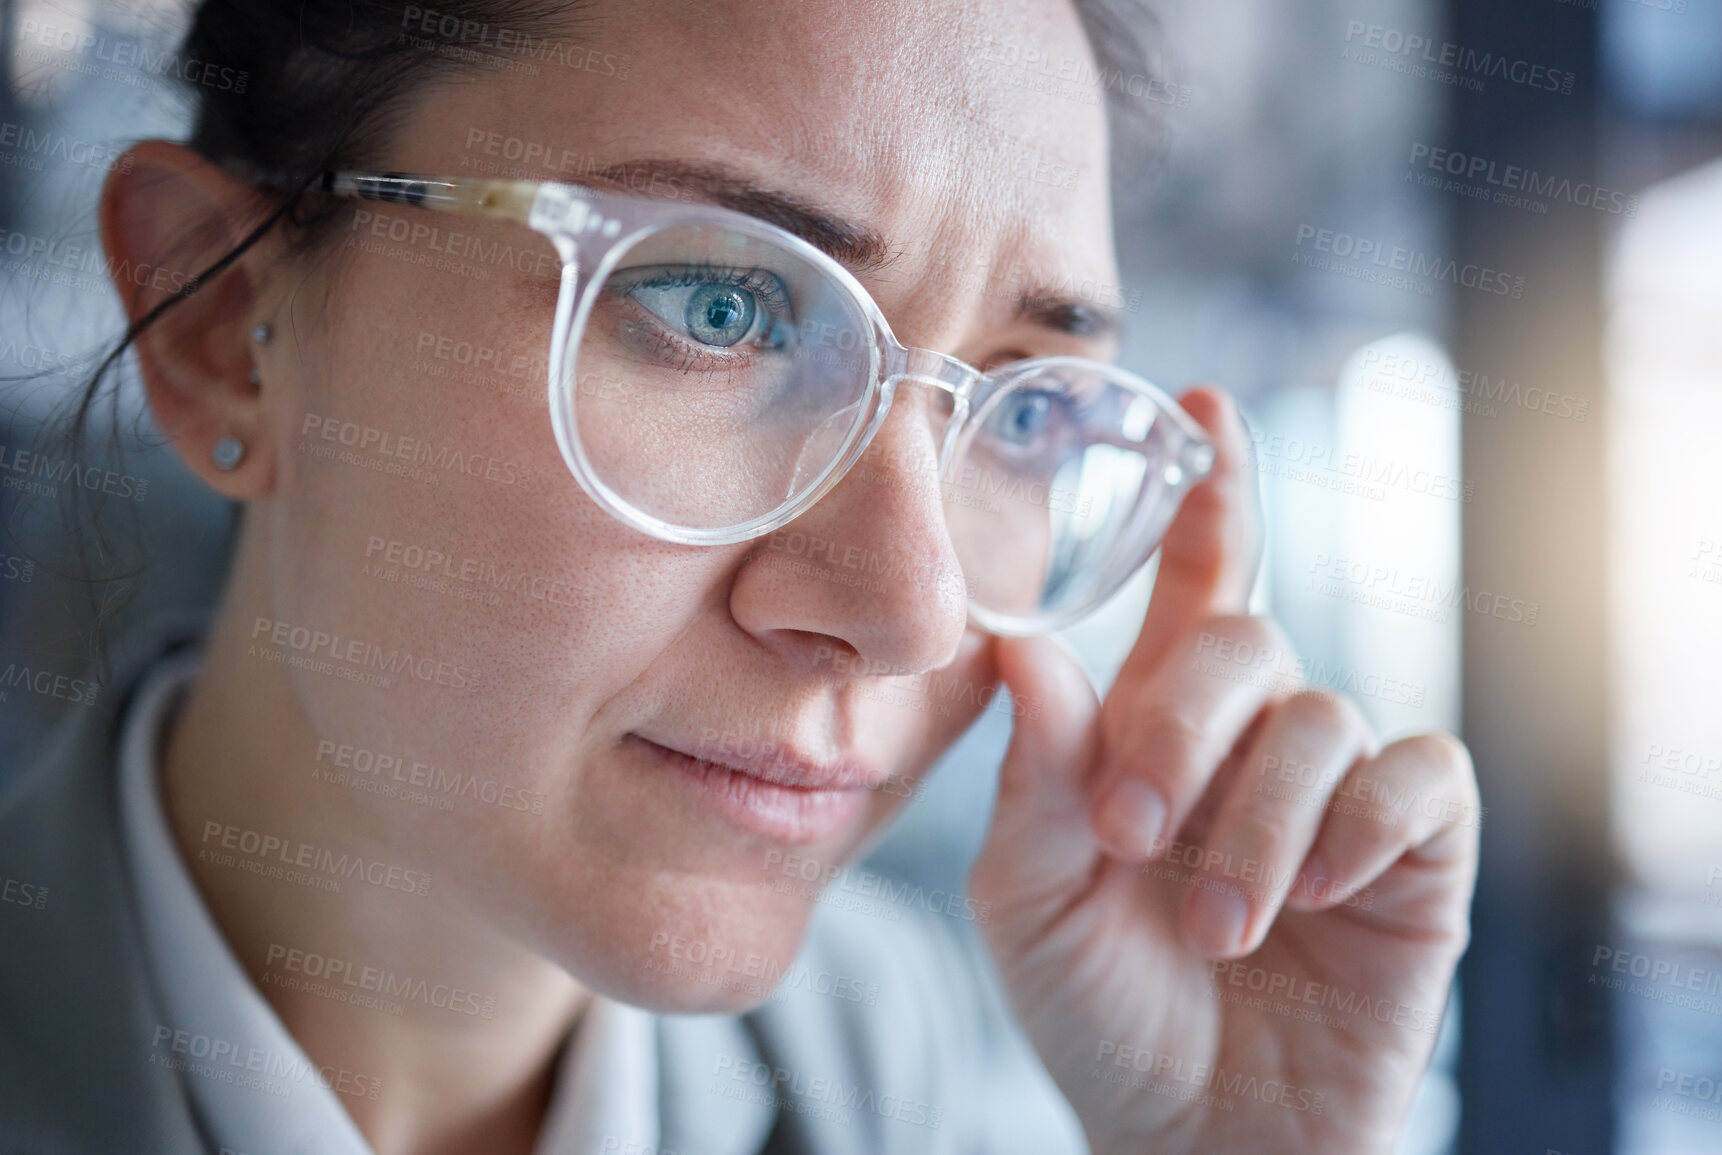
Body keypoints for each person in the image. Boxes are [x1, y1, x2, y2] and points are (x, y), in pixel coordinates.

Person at [0, 0, 1480, 1152]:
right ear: (222, 324)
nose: (909, 614)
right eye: (723, 307)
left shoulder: (882, 1050)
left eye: (1022, 410)